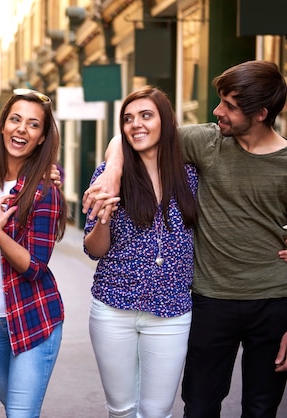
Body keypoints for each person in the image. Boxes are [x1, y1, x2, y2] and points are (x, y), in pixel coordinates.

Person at [83, 60, 287, 417]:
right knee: (200, 404)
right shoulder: (206, 142)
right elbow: (129, 134)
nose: (217, 110)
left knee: (262, 407)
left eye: (230, 105)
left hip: (273, 301)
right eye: (220, 100)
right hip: (210, 299)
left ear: (260, 114)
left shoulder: (275, 163)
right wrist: (113, 171)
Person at [83, 86, 198, 417]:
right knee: (120, 409)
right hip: (112, 308)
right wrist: (102, 220)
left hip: (172, 312)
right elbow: (94, 249)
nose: (136, 125)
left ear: (165, 121)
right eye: (128, 119)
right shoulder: (108, 179)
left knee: (157, 411)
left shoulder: (191, 175)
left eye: (146, 115)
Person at [0, 88, 67, 416]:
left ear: (42, 138)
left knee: (20, 414)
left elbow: (37, 267)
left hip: (32, 316)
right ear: (2, 126)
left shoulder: (45, 192)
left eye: (33, 124)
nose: (21, 129)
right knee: (14, 408)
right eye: (15, 119)